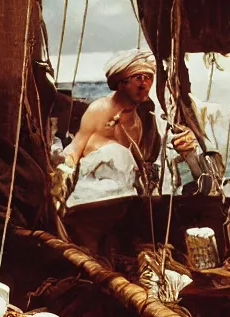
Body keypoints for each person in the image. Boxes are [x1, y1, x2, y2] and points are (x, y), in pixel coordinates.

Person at [56, 49, 197, 206]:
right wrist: (57, 188)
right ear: (121, 82)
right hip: (95, 205)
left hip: (134, 205)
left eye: (148, 78)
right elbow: (74, 152)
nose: (144, 84)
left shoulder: (145, 117)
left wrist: (187, 146)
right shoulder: (100, 110)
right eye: (138, 78)